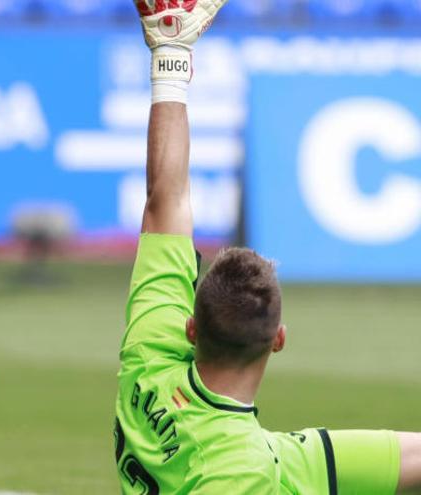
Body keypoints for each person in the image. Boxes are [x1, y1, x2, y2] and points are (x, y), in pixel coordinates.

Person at [115, 1, 421, 493]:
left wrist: (171, 53)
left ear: (190, 327)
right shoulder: (241, 471)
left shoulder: (152, 355)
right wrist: (169, 59)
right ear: (278, 338)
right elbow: (162, 202)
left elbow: (163, 200)